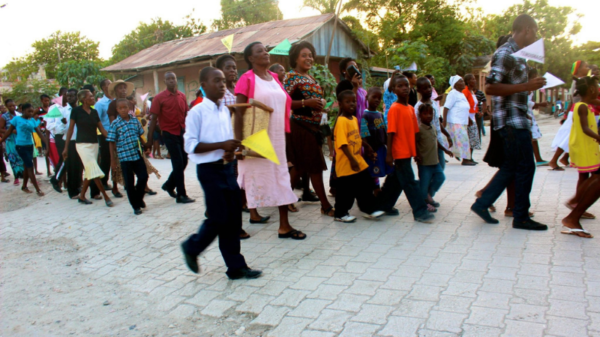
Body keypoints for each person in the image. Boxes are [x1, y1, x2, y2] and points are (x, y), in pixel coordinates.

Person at [181, 66, 262, 279]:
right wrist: (221, 145)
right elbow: (190, 146)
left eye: (223, 80)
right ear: (204, 85)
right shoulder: (196, 112)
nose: (222, 84)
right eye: (216, 80)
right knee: (217, 217)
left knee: (234, 219)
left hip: (227, 169)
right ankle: (192, 247)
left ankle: (236, 267)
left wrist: (230, 150)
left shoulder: (224, 111)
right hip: (209, 171)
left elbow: (225, 144)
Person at [471, 14, 548, 230]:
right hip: (511, 121)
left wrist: (529, 85)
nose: (536, 36)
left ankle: (483, 203)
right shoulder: (505, 53)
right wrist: (526, 86)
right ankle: (520, 216)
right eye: (535, 31)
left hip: (517, 119)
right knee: (525, 167)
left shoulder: (519, 55)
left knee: (512, 167)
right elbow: (491, 88)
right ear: (526, 29)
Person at [234, 42, 306, 240]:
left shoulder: (274, 77)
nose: (265, 53)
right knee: (247, 180)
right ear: (250, 58)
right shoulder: (246, 79)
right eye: (259, 51)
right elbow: (238, 112)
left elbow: (285, 103)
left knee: (280, 176)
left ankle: (284, 226)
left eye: (265, 50)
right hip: (255, 138)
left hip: (276, 137)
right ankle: (237, 226)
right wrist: (240, 142)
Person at [283, 41, 334, 216]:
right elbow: (285, 102)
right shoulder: (291, 77)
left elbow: (316, 100)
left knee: (299, 166)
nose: (308, 58)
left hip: (314, 127)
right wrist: (307, 103)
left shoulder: (311, 78)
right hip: (300, 126)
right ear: (295, 58)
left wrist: (322, 104)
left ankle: (285, 200)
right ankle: (326, 206)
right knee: (314, 166)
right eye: (304, 55)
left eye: (310, 55)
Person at [377, 75, 434, 223]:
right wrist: (389, 155)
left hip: (408, 152)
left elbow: (415, 133)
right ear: (393, 90)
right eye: (400, 86)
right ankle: (420, 211)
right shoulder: (394, 109)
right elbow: (390, 133)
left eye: (406, 85)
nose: (404, 88)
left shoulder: (409, 108)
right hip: (399, 152)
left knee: (396, 180)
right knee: (410, 182)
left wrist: (417, 152)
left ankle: (384, 204)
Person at [332, 89, 385, 222]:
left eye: (354, 101)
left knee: (366, 184)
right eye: (347, 101)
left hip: (357, 160)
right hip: (346, 163)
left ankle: (369, 209)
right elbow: (343, 144)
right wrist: (352, 160)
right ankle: (340, 213)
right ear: (340, 104)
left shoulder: (354, 119)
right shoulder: (341, 121)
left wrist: (366, 147)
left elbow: (357, 137)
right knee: (345, 191)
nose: (352, 104)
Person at [146, 72, 195, 204]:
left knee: (184, 162)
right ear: (165, 82)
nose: (171, 81)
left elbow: (187, 115)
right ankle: (181, 195)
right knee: (178, 163)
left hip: (182, 132)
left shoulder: (182, 96)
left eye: (173, 78)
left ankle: (168, 185)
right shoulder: (159, 98)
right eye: (168, 79)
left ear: (176, 80)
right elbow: (153, 119)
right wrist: (149, 140)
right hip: (168, 133)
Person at [561, 76, 600, 238]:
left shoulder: (587, 105)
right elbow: (585, 128)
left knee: (594, 176)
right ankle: (574, 215)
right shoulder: (582, 106)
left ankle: (576, 206)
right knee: (595, 177)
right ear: (591, 89)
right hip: (586, 146)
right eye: (597, 87)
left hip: (590, 146)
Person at [63, 89, 113, 207]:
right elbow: (70, 129)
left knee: (90, 171)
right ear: (83, 99)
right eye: (90, 96)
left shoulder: (94, 112)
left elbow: (102, 129)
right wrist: (66, 147)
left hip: (94, 144)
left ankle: (82, 196)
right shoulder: (76, 111)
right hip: (82, 145)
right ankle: (106, 197)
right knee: (93, 168)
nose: (93, 98)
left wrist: (112, 139)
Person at [414, 77, 453, 206]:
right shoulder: (418, 108)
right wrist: (417, 153)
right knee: (426, 174)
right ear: (418, 90)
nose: (428, 90)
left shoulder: (433, 103)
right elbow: (417, 132)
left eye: (429, 87)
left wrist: (446, 134)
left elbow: (436, 122)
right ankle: (424, 198)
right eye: (425, 88)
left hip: (437, 142)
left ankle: (428, 194)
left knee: (440, 171)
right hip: (425, 147)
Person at [107, 98, 149, 215]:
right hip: (124, 157)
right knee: (129, 183)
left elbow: (140, 135)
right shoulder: (115, 124)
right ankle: (135, 206)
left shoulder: (135, 121)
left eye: (125, 107)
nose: (123, 110)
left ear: (129, 108)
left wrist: (146, 146)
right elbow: (111, 141)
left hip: (136, 155)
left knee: (143, 177)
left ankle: (139, 198)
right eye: (120, 108)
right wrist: (113, 160)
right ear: (117, 110)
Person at [548, 60, 591, 170]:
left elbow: (572, 100)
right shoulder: (581, 82)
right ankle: (554, 160)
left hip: (575, 111)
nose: (588, 68)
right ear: (579, 69)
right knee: (569, 137)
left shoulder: (577, 81)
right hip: (578, 112)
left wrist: (566, 113)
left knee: (573, 136)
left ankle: (566, 158)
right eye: (586, 66)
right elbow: (578, 99)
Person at [1, 103, 47, 195]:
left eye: (32, 111)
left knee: (27, 166)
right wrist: (2, 140)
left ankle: (24, 186)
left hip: (30, 146)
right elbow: (9, 131)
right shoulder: (16, 119)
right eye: (28, 111)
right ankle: (38, 190)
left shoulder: (32, 121)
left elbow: (39, 133)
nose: (31, 113)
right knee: (30, 167)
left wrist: (46, 143)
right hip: (20, 146)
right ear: (22, 111)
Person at [106, 80, 136, 198]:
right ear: (115, 91)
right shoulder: (113, 104)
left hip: (131, 136)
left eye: (124, 88)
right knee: (117, 163)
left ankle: (133, 185)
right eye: (120, 88)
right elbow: (112, 121)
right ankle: (114, 187)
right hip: (119, 138)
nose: (123, 90)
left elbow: (133, 117)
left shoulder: (130, 103)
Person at [360, 87, 393, 195]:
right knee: (372, 170)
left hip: (381, 148)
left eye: (379, 98)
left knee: (380, 169)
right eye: (374, 97)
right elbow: (364, 134)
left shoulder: (380, 114)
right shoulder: (365, 115)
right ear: (367, 97)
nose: (377, 100)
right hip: (371, 149)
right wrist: (367, 148)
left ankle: (377, 189)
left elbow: (384, 130)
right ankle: (374, 189)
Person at [51, 89, 83, 199]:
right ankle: (72, 191)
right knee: (71, 166)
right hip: (69, 141)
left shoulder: (80, 109)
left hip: (80, 140)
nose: (69, 98)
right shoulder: (63, 110)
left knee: (78, 166)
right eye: (68, 96)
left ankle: (77, 187)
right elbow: (55, 127)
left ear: (77, 97)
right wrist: (64, 125)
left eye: (72, 96)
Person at [443, 76, 475, 165]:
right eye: (460, 81)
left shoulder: (461, 94)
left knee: (460, 140)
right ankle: (465, 160)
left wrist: (469, 119)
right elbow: (446, 107)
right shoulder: (453, 93)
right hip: (455, 121)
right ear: (455, 84)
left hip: (462, 121)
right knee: (463, 140)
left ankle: (463, 157)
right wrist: (444, 120)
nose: (463, 83)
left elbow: (464, 107)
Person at [93, 79, 114, 199]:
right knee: (106, 159)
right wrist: (104, 133)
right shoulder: (100, 104)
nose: (110, 87)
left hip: (118, 133)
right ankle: (104, 181)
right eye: (107, 85)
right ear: (103, 88)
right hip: (105, 134)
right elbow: (97, 120)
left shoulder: (116, 101)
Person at [527, 68, 549, 165]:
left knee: (533, 138)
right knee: (531, 137)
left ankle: (538, 158)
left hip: (529, 113)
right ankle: (536, 159)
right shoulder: (525, 88)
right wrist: (539, 104)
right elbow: (526, 103)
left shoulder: (530, 89)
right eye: (534, 77)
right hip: (525, 114)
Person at [0, 99, 24, 185]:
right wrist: (10, 131)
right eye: (10, 106)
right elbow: (0, 128)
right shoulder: (4, 116)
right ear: (7, 107)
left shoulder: (19, 115)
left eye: (13, 105)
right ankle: (16, 177)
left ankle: (24, 175)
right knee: (13, 159)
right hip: (10, 140)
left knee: (23, 157)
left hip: (20, 139)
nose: (12, 107)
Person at [463, 74, 482, 161]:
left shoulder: (471, 91)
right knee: (469, 138)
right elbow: (464, 105)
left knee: (473, 138)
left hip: (473, 117)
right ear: (467, 81)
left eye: (474, 79)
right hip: (468, 118)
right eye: (472, 79)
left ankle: (470, 157)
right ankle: (466, 158)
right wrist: (467, 117)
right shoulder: (465, 91)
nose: (474, 81)